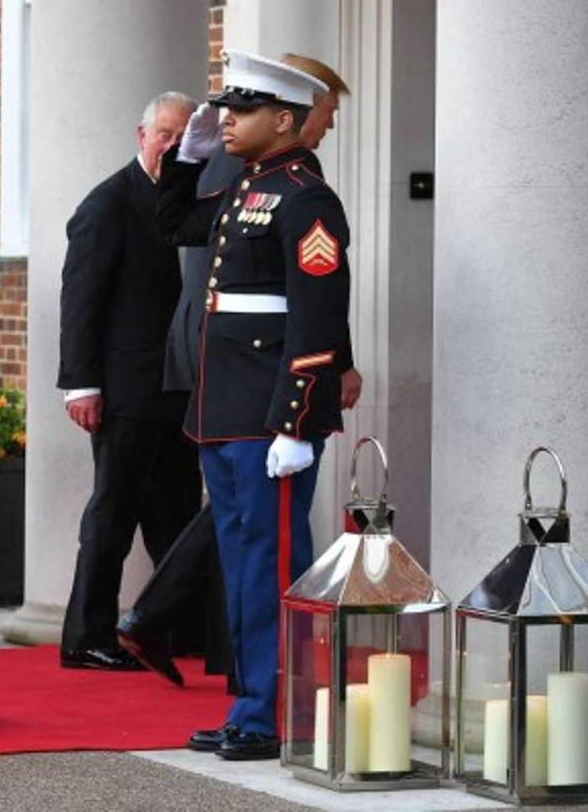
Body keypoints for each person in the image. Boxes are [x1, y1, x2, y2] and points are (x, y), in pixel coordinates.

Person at [118, 54, 359, 694]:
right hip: (224, 407)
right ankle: (252, 703)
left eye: (242, 110)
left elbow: (316, 315)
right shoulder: (248, 189)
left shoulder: (306, 199)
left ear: (283, 120)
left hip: (266, 412)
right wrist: (187, 161)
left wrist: (296, 420)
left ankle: (275, 704)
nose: (226, 120)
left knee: (269, 563)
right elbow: (173, 225)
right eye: (226, 109)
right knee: (239, 558)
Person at [56, 92, 203, 671]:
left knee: (176, 514)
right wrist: (81, 384)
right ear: (141, 134)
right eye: (163, 133)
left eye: (182, 136)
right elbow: (80, 300)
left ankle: (176, 628)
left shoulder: (193, 200)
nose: (171, 144)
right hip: (123, 391)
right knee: (112, 516)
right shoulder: (108, 203)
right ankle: (86, 636)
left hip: (179, 389)